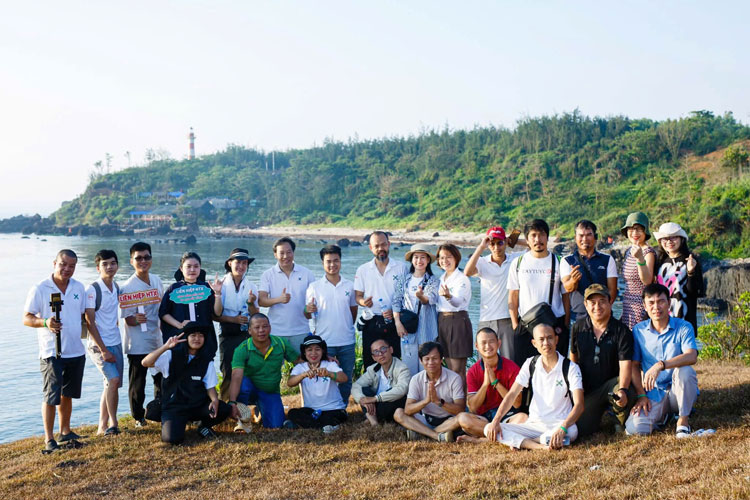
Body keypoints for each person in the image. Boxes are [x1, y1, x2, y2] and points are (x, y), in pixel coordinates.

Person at [23, 249, 88, 452]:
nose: (67, 269)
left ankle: (65, 431)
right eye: (63, 264)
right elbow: (27, 318)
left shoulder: (79, 287)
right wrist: (45, 322)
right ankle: (49, 439)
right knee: (51, 396)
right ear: (54, 263)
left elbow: (83, 316)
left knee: (68, 394)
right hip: (52, 352)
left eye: (72, 266)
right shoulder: (40, 288)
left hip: (75, 350)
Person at [484, 324, 584, 450]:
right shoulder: (530, 363)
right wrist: (496, 420)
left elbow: (579, 405)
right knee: (488, 428)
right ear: (534, 343)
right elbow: (512, 395)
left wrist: (563, 428)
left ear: (556, 340)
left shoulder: (570, 367)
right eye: (541, 339)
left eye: (550, 338)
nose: (546, 343)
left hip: (559, 424)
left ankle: (523, 442)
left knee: (572, 432)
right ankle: (539, 446)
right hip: (533, 425)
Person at [626, 283, 699, 437]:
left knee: (685, 371)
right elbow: (634, 365)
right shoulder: (638, 331)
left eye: (661, 301)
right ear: (645, 306)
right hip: (654, 392)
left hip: (678, 390)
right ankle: (666, 416)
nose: (656, 307)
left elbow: (692, 356)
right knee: (635, 428)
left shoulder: (684, 326)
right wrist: (641, 395)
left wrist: (661, 365)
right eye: (651, 303)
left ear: (669, 303)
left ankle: (683, 421)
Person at [142, 322, 231, 444]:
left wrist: (215, 400)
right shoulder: (171, 355)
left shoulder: (206, 360)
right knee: (171, 439)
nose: (197, 339)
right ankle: (175, 422)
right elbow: (145, 362)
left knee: (223, 409)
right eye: (193, 335)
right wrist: (166, 347)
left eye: (201, 336)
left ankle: (203, 426)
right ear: (186, 338)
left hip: (197, 405)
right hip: (175, 406)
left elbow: (210, 386)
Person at [569, 284, 634, 438]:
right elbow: (573, 360)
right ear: (585, 305)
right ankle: (596, 414)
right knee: (581, 430)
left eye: (602, 301)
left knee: (623, 392)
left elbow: (626, 366)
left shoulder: (622, 331)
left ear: (610, 302)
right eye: (592, 302)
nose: (597, 306)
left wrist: (623, 390)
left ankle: (618, 419)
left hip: (612, 385)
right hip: (589, 389)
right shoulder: (578, 328)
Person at [508, 219, 570, 366]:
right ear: (527, 240)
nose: (538, 239)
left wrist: (566, 324)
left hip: (554, 323)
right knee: (525, 370)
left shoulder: (559, 261)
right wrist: (515, 325)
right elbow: (513, 296)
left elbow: (566, 296)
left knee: (556, 368)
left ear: (547, 237)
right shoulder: (518, 263)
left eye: (541, 234)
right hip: (526, 325)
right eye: (533, 235)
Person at [305, 245, 358, 403]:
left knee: (346, 378)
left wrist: (346, 325)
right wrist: (308, 309)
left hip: (347, 341)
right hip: (324, 341)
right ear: (322, 263)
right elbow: (307, 314)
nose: (332, 265)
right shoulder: (314, 287)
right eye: (328, 261)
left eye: (336, 260)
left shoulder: (350, 285)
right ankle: (325, 406)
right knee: (323, 378)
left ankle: (341, 407)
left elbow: (353, 311)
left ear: (340, 261)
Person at [228, 313, 300, 429]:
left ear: (270, 328)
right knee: (242, 385)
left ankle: (259, 410)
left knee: (276, 425)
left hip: (269, 391)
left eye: (265, 326)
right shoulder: (242, 349)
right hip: (249, 389)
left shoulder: (281, 343)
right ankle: (243, 419)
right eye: (257, 327)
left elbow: (298, 361)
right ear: (249, 330)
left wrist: (323, 358)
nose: (261, 330)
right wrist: (232, 402)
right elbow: (236, 376)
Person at [120, 242, 164, 427]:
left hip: (157, 337)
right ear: (131, 261)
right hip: (137, 341)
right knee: (138, 382)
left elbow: (163, 307)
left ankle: (158, 411)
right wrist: (135, 319)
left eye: (146, 257)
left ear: (151, 259)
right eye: (138, 258)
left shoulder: (156, 280)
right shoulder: (127, 287)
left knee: (161, 377)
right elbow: (126, 319)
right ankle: (138, 417)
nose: (143, 261)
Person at [465, 226, 525, 361]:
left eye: (500, 243)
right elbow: (467, 272)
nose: (496, 247)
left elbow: (535, 246)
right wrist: (481, 247)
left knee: (510, 360)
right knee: (484, 362)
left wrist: (514, 241)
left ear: (505, 242)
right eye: (492, 244)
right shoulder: (482, 262)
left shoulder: (515, 259)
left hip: (508, 319)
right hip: (486, 319)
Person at [455, 327, 525, 442]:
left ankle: (481, 440)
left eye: (491, 341)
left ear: (499, 343)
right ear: (477, 346)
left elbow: (517, 404)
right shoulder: (473, 371)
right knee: (463, 419)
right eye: (483, 343)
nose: (488, 346)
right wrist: (485, 384)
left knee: (523, 418)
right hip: (484, 418)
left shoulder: (512, 367)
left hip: (506, 416)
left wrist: (495, 383)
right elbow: (473, 407)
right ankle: (501, 435)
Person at [84, 249, 124, 436]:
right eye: (105, 264)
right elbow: (89, 322)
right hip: (99, 345)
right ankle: (113, 424)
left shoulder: (116, 287)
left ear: (117, 265)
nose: (109, 267)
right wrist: (103, 350)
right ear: (98, 267)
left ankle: (102, 425)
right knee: (113, 380)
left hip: (115, 341)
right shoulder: (92, 289)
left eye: (112, 263)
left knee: (111, 384)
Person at [354, 231, 408, 367]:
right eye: (376, 246)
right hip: (371, 321)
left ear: (389, 244)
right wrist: (363, 302)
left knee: (395, 360)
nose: (380, 248)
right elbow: (358, 296)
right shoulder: (363, 270)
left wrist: (395, 312)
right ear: (371, 248)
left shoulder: (401, 267)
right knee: (370, 362)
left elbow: (406, 296)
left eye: (383, 244)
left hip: (394, 321)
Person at [393, 342, 465, 442]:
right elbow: (408, 410)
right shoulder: (416, 379)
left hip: (449, 421)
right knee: (398, 413)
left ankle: (422, 433)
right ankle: (437, 436)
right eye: (427, 359)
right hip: (426, 420)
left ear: (441, 359)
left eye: (435, 358)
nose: (431, 362)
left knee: (462, 418)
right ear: (421, 361)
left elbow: (460, 409)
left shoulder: (454, 378)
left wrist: (438, 402)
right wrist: (426, 401)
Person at [215, 248, 259, 401]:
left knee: (247, 370)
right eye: (237, 262)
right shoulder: (221, 284)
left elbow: (256, 314)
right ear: (229, 263)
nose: (241, 266)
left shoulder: (251, 285)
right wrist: (233, 319)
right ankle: (226, 405)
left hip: (246, 333)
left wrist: (251, 303)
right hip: (227, 333)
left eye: (244, 263)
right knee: (228, 370)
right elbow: (214, 315)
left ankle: (246, 406)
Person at [258, 237, 316, 353]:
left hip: (301, 331)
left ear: (293, 253)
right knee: (275, 364)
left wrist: (311, 309)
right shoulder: (267, 275)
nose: (285, 256)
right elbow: (261, 301)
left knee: (302, 363)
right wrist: (279, 299)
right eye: (281, 253)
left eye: (289, 252)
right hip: (276, 331)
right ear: (275, 254)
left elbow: (314, 301)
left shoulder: (307, 273)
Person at [159, 251, 223, 356]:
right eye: (188, 266)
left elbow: (218, 313)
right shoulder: (174, 288)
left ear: (200, 268)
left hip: (204, 338)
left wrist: (218, 293)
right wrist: (179, 325)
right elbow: (163, 313)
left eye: (196, 266)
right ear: (181, 268)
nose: (192, 270)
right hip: (180, 337)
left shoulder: (207, 288)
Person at [392, 243, 440, 374]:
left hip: (427, 329)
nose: (419, 260)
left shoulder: (433, 280)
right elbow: (396, 302)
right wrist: (397, 323)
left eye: (423, 257)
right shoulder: (404, 279)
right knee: (409, 368)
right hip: (407, 329)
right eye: (416, 257)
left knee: (427, 368)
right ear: (412, 259)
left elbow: (429, 299)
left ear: (428, 260)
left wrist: (421, 296)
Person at [285, 335, 348, 433]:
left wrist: (329, 373)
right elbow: (290, 382)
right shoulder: (300, 367)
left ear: (322, 351)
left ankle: (307, 424)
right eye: (309, 350)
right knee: (293, 413)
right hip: (312, 410)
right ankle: (324, 426)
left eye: (317, 349)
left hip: (333, 409)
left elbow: (344, 378)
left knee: (335, 416)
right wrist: (303, 375)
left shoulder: (330, 364)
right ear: (304, 352)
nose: (313, 353)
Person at [560, 220, 618, 321]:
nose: (585, 239)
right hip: (578, 317)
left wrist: (600, 312)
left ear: (595, 237)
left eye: (589, 235)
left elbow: (612, 291)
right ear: (575, 238)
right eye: (581, 235)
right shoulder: (567, 260)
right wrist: (573, 280)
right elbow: (568, 288)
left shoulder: (607, 259)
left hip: (603, 317)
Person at [654, 222, 705, 332]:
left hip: (684, 321)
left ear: (681, 239)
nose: (669, 241)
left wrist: (691, 272)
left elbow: (695, 292)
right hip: (662, 321)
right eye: (665, 238)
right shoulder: (659, 262)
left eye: (673, 237)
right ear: (660, 241)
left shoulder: (690, 260)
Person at [436, 243, 473, 391]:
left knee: (457, 370)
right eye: (441, 258)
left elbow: (457, 303)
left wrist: (448, 296)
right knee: (448, 367)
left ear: (456, 258)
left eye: (448, 257)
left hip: (457, 321)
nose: (445, 261)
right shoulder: (441, 278)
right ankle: (453, 400)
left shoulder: (461, 279)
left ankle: (461, 402)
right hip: (442, 321)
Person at [351, 338, 411, 426]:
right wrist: (362, 399)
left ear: (391, 350)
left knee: (394, 396)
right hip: (378, 405)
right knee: (364, 390)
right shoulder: (373, 369)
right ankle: (374, 422)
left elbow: (402, 389)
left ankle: (371, 418)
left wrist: (375, 399)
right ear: (374, 357)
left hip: (393, 404)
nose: (380, 354)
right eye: (376, 352)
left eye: (383, 349)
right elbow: (356, 385)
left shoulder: (402, 368)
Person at [619, 212, 656, 329]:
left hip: (641, 306)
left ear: (645, 231)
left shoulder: (648, 252)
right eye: (630, 229)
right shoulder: (628, 251)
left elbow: (647, 281)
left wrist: (640, 258)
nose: (634, 233)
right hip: (627, 305)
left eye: (639, 229)